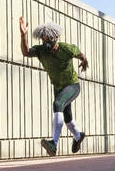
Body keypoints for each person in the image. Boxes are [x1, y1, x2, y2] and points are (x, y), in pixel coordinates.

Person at [19, 16, 89, 156]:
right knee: (67, 117)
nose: (47, 43)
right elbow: (26, 52)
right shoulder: (41, 51)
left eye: (49, 39)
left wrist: (84, 61)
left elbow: (81, 54)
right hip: (58, 87)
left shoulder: (67, 49)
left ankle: (54, 144)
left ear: (56, 36)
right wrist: (23, 35)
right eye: (44, 40)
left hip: (72, 86)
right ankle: (78, 136)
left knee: (57, 104)